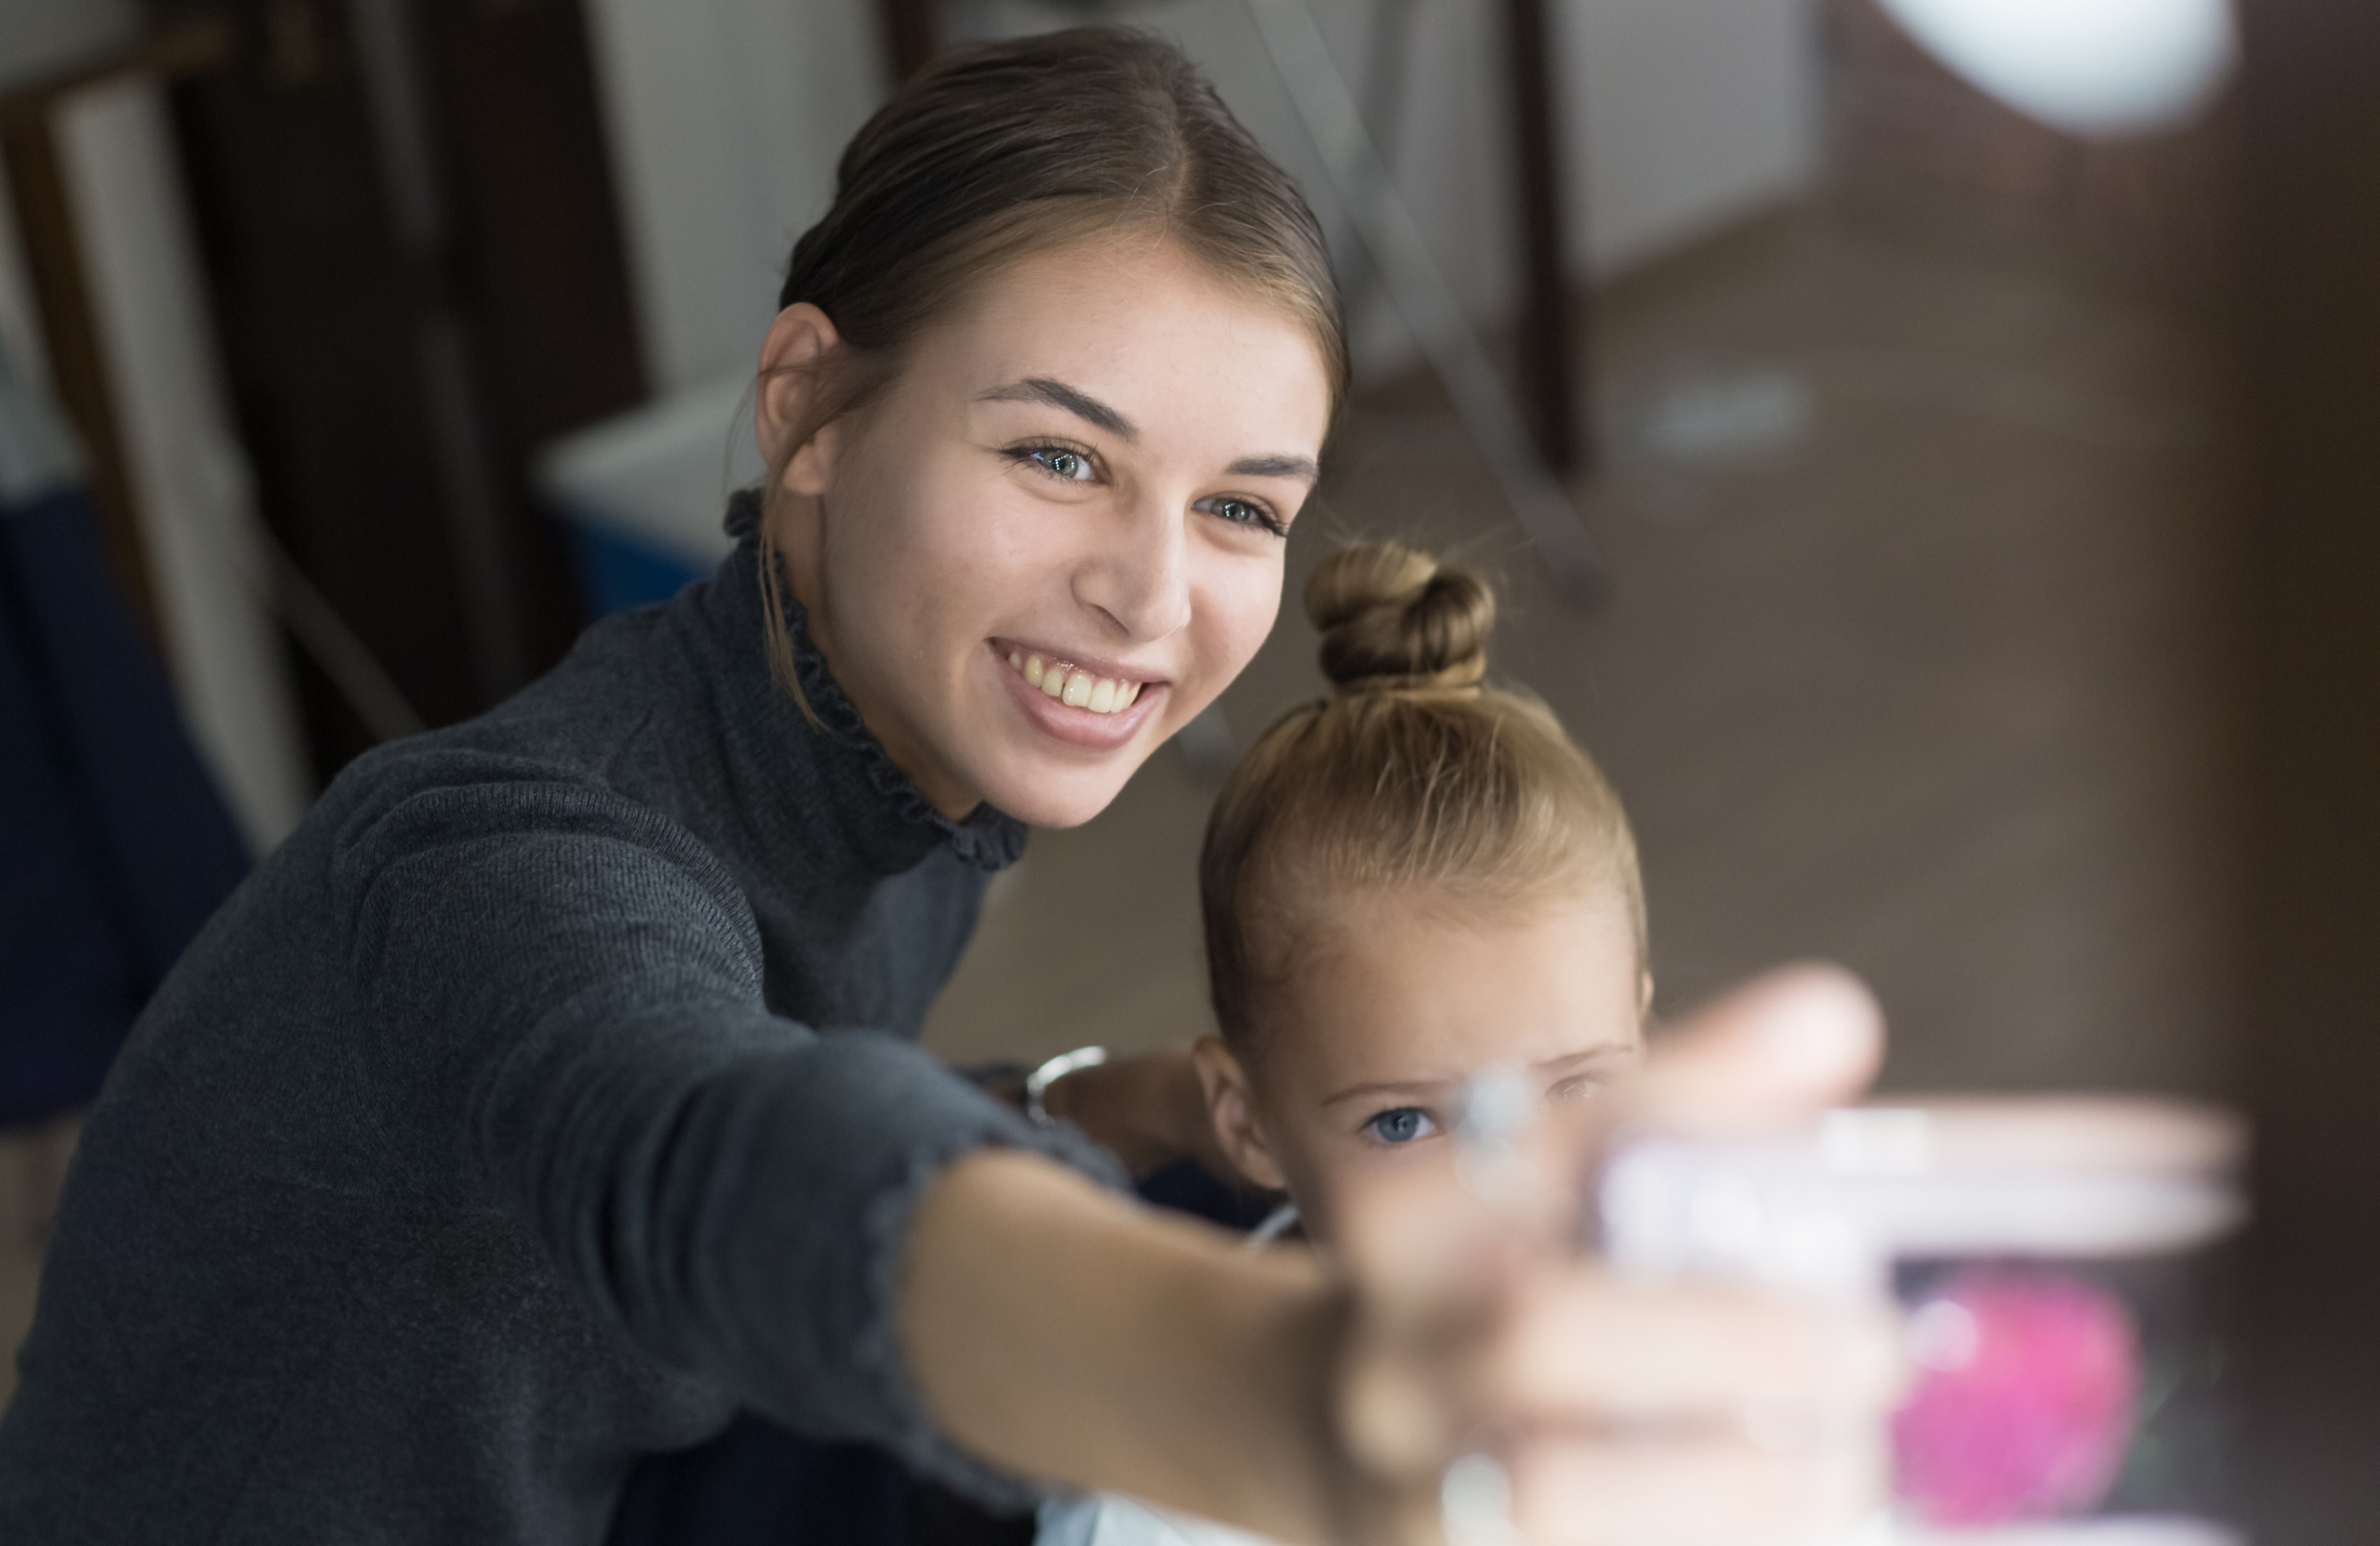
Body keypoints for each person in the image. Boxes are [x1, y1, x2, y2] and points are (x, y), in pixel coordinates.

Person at [0, 29, 1897, 1546]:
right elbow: (731, 1161)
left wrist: (1091, 1099)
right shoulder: (499, 864)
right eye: (1061, 460)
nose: (1153, 597)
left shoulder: (904, 768)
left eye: (1238, 504)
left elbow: (813, 1091)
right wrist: (1285, 1408)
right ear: (808, 409)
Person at [1041, 539, 1655, 1546]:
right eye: (1405, 1120)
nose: (1505, 1186)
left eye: (1576, 1090)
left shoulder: (1755, 1362)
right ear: (1246, 1123)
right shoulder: (1171, 1480)